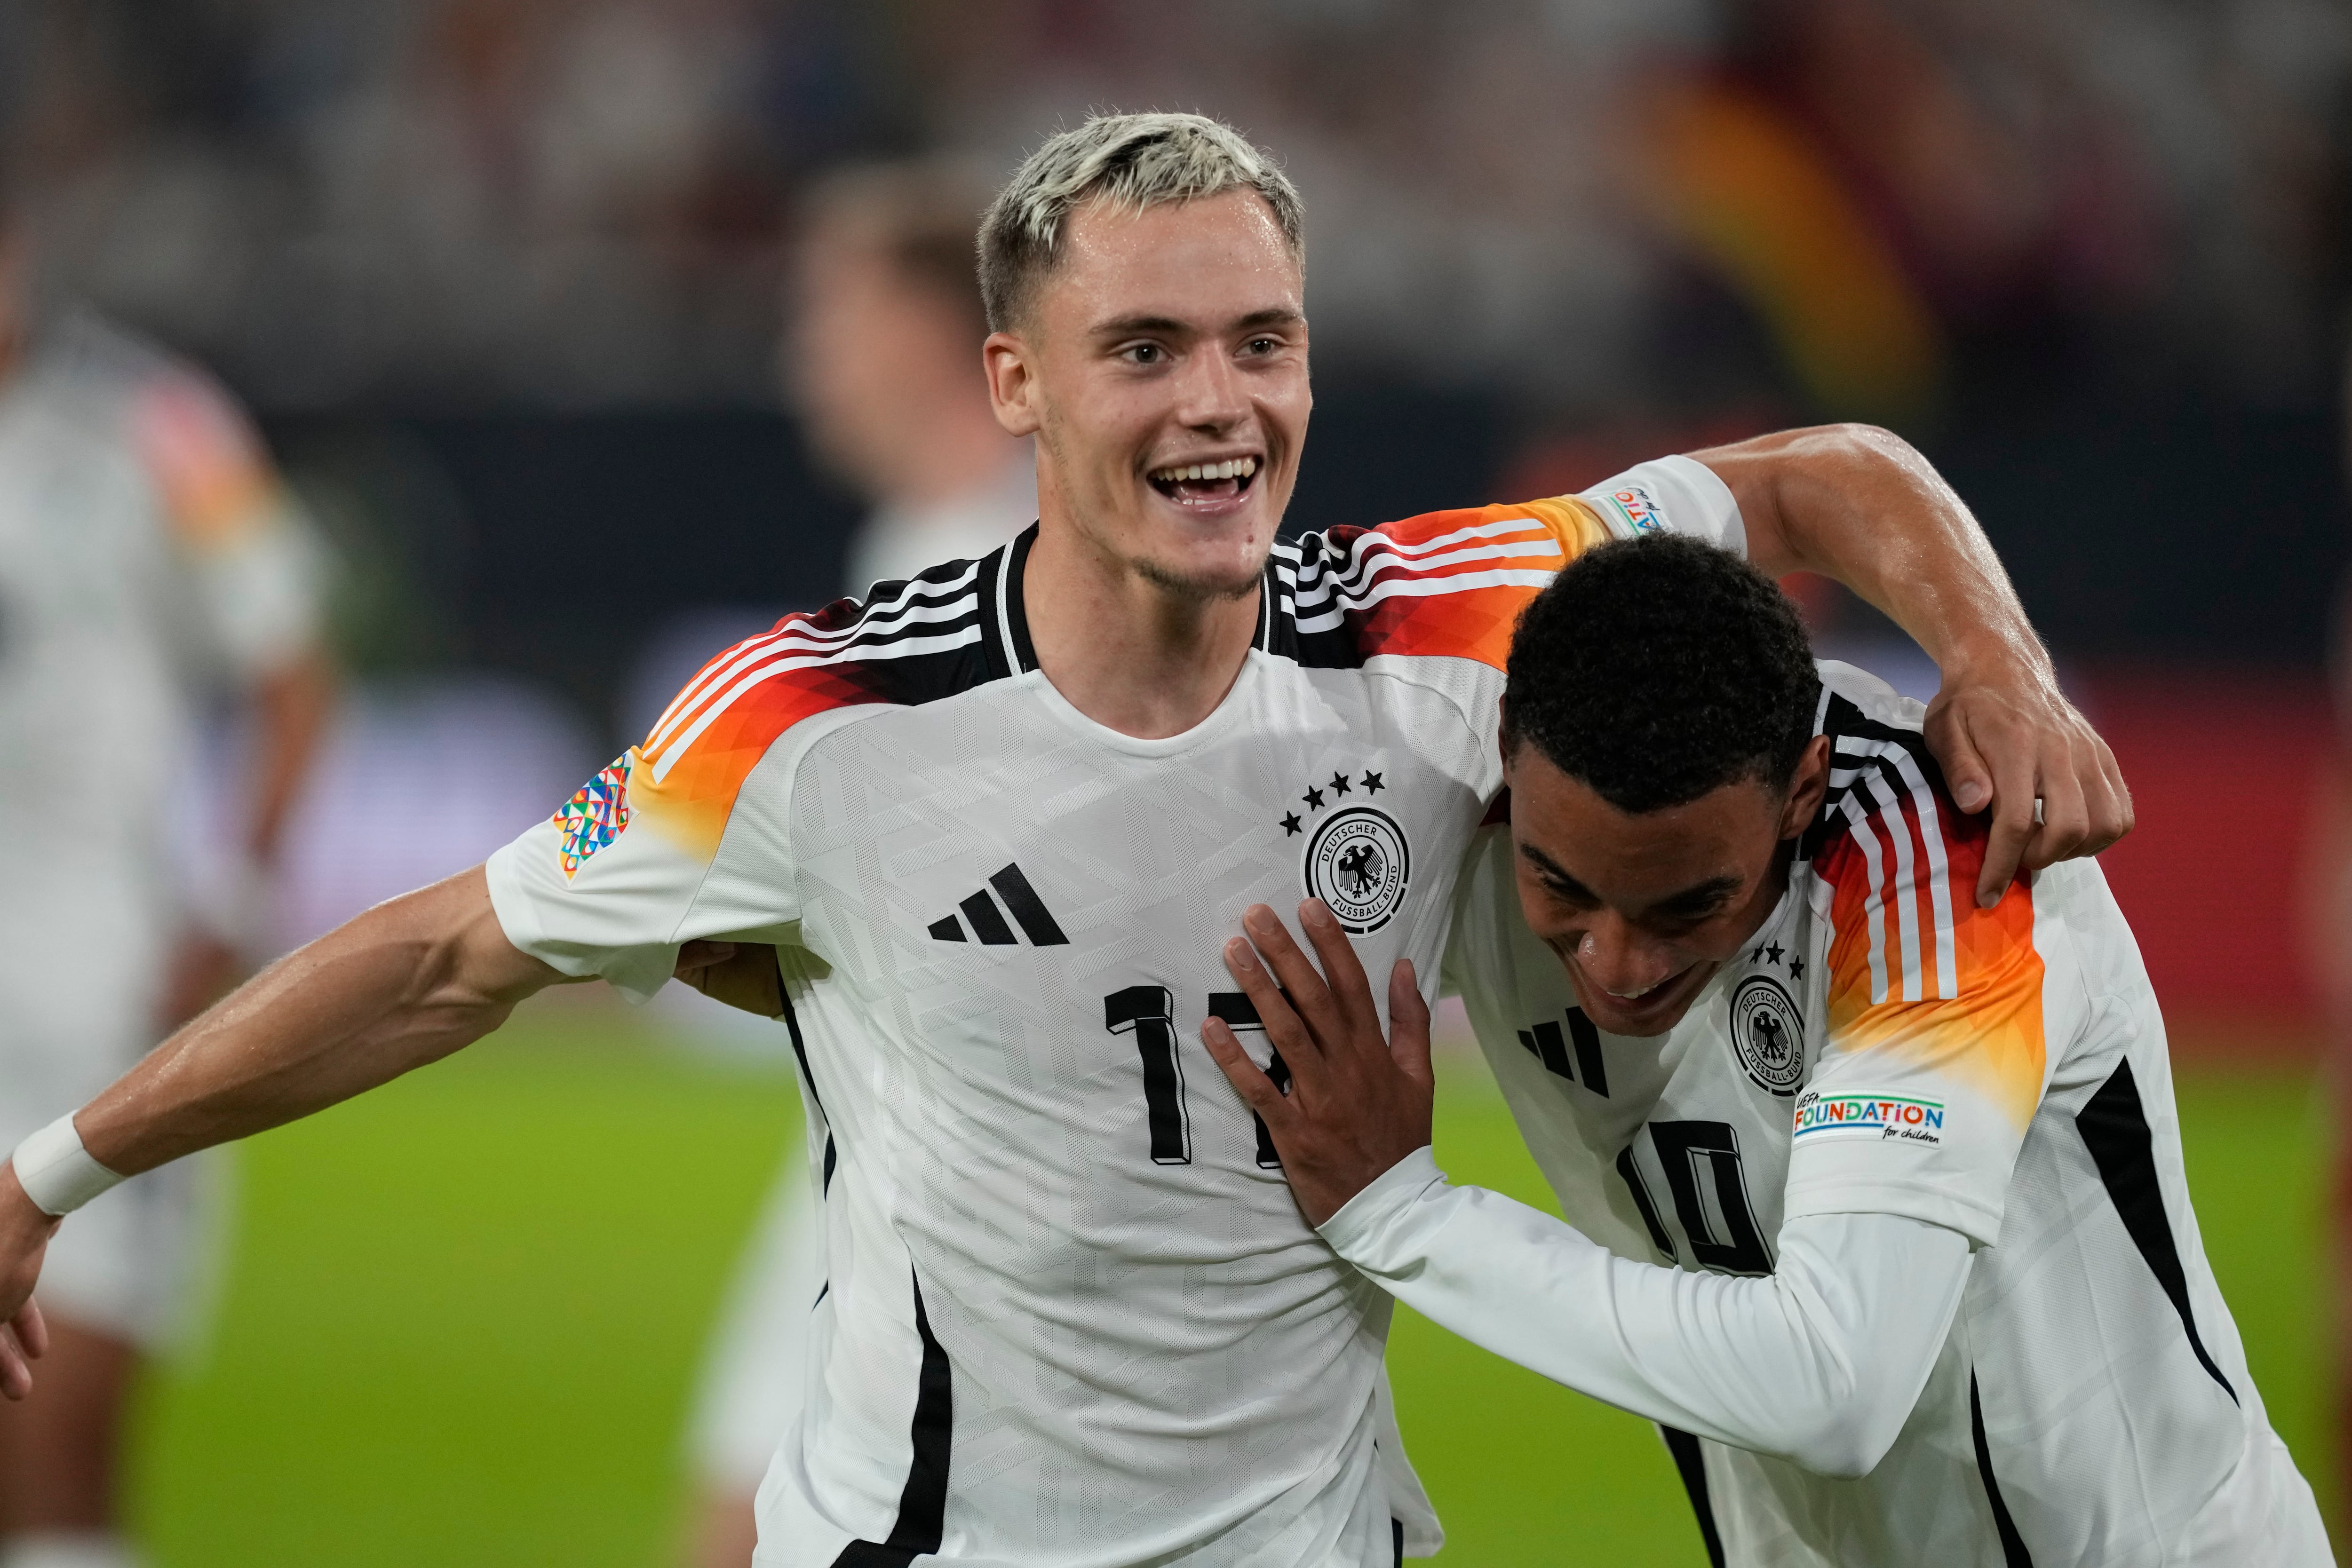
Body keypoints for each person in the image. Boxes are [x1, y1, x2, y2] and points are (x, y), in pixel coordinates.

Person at [0, 114, 2127, 1568]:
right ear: (1014, 379)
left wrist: (2000, 661)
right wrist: (55, 1170)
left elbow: (1821, 475)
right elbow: (452, 954)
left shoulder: (1431, 616)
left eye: (1260, 341)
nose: (1221, 401)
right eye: (1147, 349)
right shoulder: (819, 718)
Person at [1206, 533, 2325, 1565]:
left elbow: (1832, 1383)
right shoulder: (1454, 807)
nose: (1617, 960)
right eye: (1563, 887)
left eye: (1689, 903)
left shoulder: (1941, 872)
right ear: (1507, 752)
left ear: (1799, 790)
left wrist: (1405, 1213)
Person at [677, 159, 1036, 1568]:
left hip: (936, 1164)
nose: (801, 356)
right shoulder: (918, 549)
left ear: (914, 328)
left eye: (824, 312)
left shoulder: (994, 572)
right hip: (868, 1133)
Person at [0, 186, 334, 1568]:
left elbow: (294, 676)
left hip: (94, 998)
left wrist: (228, 911)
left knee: (58, 1442)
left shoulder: (160, 423)